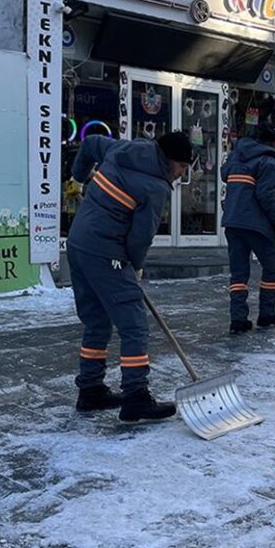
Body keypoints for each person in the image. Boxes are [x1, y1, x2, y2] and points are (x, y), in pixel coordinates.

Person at [67, 131, 192, 422]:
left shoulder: (122, 149)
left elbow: (89, 143)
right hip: (105, 251)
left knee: (97, 320)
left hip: (78, 244)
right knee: (133, 324)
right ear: (170, 160)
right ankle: (136, 396)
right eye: (182, 168)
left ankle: (90, 390)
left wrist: (78, 176)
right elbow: (140, 238)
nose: (182, 175)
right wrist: (134, 267)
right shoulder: (155, 187)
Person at [221, 117, 275, 335]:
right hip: (257, 224)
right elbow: (265, 194)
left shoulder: (236, 157)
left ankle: (238, 318)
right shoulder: (268, 162)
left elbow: (224, 174)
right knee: (270, 267)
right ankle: (267, 314)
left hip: (232, 222)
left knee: (238, 274)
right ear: (270, 143)